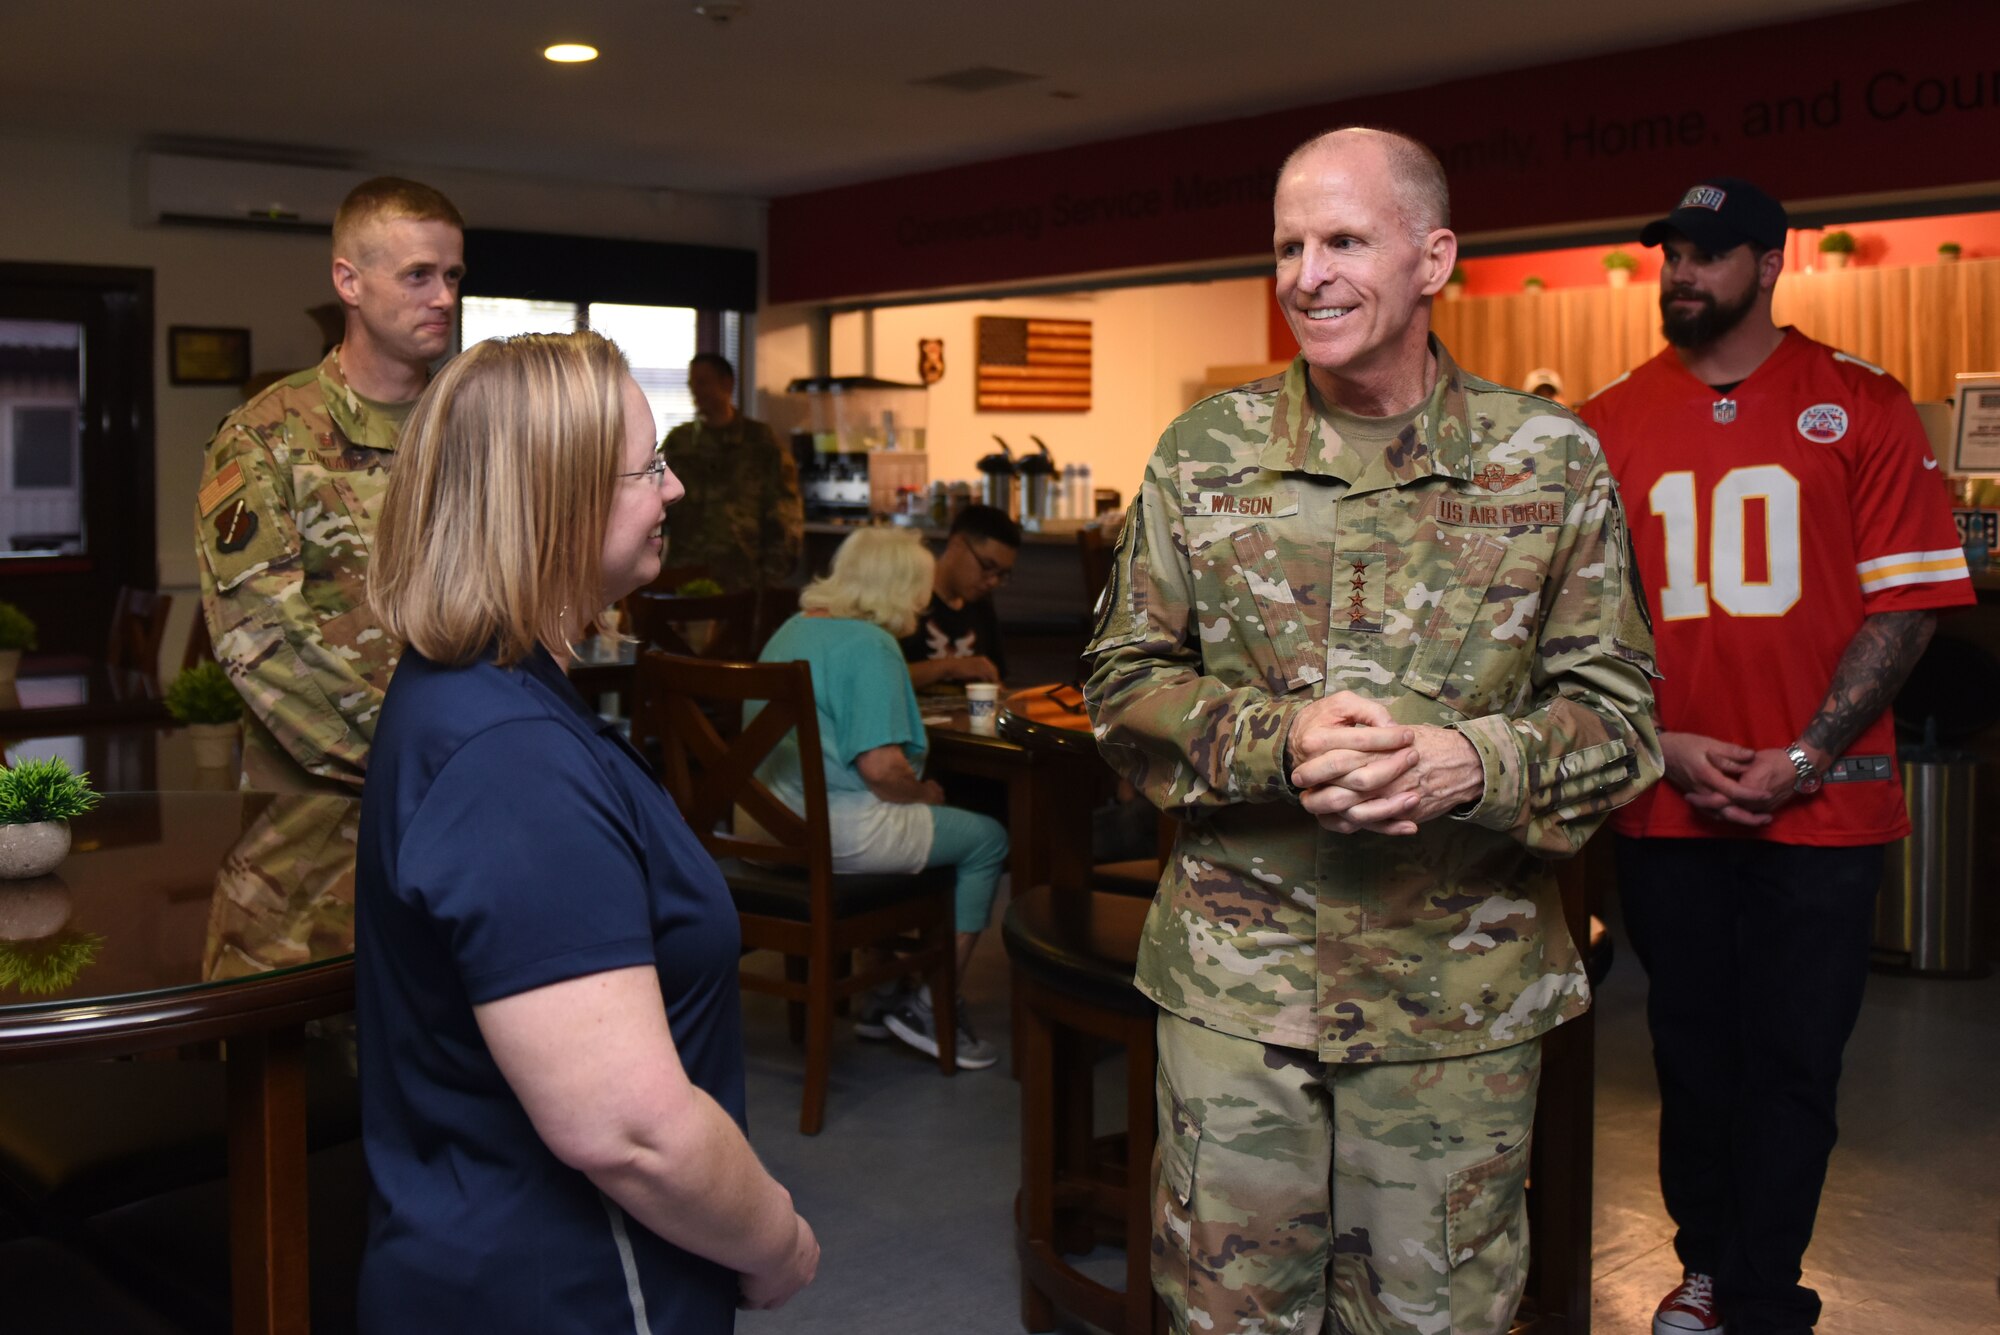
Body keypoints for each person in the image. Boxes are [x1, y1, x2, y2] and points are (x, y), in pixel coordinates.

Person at [1083, 126, 1662, 1335]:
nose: (1307, 274)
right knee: (1221, 1314)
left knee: (1435, 1318)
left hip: (1456, 1007)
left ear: (1432, 257)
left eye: (1343, 240)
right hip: (1238, 1004)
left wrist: (1474, 762)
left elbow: (1620, 721)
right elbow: (1120, 681)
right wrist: (1272, 743)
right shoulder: (1204, 457)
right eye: (1287, 245)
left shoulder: (1547, 462)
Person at [356, 331, 817, 1332]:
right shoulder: (508, 758)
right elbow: (631, 1133)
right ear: (553, 505)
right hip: (569, 1289)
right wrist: (776, 1238)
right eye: (648, 468)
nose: (675, 490)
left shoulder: (483, 684)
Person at [1579, 178, 1973, 1335]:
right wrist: (1659, 739)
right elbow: (1574, 624)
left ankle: (1761, 1295)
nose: (1681, 275)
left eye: (1706, 254)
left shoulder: (1859, 402)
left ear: (1768, 259)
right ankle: (1705, 1269)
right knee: (1691, 1055)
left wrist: (1803, 753)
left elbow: (1904, 608)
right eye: (1669, 256)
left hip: (1825, 811)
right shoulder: (1605, 423)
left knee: (1794, 1061)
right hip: (1666, 800)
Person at [194, 176, 464, 793]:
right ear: (349, 282)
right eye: (418, 274)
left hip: (467, 792)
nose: (443, 297)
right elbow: (264, 641)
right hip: (318, 817)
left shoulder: (475, 424)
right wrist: (423, 756)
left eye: (453, 275)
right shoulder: (265, 436)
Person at [750, 525, 1009, 1069]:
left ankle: (885, 993)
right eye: (917, 588)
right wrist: (926, 792)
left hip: (770, 827)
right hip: (840, 833)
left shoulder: (790, 631)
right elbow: (883, 771)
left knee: (929, 831)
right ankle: (926, 1005)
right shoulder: (872, 646)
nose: (922, 601)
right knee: (986, 838)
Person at [660, 352, 804, 589]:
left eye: (702, 382)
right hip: (684, 577)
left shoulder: (761, 443)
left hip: (743, 579)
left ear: (727, 383)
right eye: (691, 383)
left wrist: (772, 575)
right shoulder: (679, 442)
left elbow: (786, 514)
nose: (696, 391)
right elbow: (655, 502)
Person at [899, 503, 1019, 688]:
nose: (992, 581)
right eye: (987, 566)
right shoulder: (908, 596)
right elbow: (880, 676)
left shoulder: (981, 603)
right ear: (957, 545)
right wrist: (949, 667)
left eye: (1001, 574)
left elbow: (997, 678)